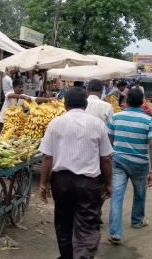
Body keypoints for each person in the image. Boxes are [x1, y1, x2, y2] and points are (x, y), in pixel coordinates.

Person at [39, 86, 113, 259]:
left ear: (65, 104)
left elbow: (47, 157)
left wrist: (43, 183)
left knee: (63, 221)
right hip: (88, 184)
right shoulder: (97, 124)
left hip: (61, 182)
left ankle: (67, 255)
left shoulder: (56, 123)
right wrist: (108, 183)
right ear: (86, 105)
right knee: (87, 225)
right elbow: (106, 159)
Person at [107, 88, 152, 245]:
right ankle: (137, 221)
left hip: (118, 161)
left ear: (125, 102)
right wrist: (151, 170)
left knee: (117, 196)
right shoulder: (149, 120)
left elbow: (110, 140)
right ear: (142, 102)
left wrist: (113, 153)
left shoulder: (116, 117)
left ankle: (115, 233)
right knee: (140, 193)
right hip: (141, 164)